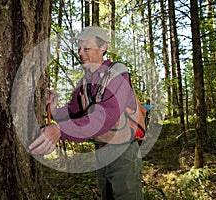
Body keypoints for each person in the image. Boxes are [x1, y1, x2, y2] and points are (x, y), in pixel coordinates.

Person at [29, 26, 144, 200]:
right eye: (79, 48)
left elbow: (106, 116)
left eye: (87, 48)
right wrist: (52, 109)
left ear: (103, 47)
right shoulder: (85, 82)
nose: (81, 53)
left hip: (123, 154)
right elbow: (73, 113)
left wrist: (60, 130)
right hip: (101, 153)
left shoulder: (118, 73)